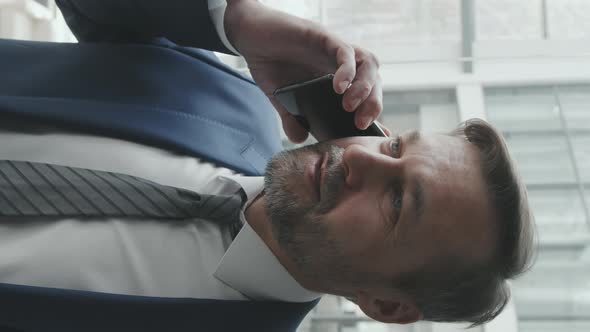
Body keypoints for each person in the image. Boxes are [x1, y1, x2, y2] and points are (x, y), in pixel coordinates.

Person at [0, 1, 535, 331]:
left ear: (388, 305)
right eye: (394, 148)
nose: (360, 160)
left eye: (398, 203)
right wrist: (234, 19)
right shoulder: (232, 100)